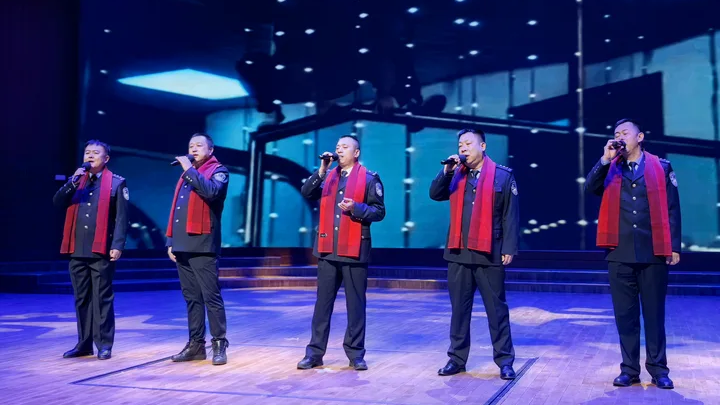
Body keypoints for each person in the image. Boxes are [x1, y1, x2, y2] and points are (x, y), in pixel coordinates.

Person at [586, 118, 681, 389]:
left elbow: (673, 208)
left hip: (653, 252)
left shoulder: (662, 167)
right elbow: (590, 188)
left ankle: (659, 370)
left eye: (625, 133)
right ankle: (629, 369)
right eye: (616, 133)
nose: (620, 137)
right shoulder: (611, 167)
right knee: (625, 317)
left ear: (639, 137)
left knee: (654, 315)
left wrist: (674, 246)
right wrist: (604, 160)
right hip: (619, 252)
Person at [429, 128, 518, 380]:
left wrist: (509, 247)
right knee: (459, 310)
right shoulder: (455, 173)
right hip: (459, 252)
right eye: (461, 144)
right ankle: (456, 359)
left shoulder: (502, 175)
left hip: (490, 252)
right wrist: (447, 171)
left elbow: (511, 214)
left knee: (496, 310)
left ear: (483, 146)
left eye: (468, 143)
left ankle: (505, 361)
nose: (463, 148)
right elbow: (435, 194)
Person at [296, 135, 386, 371]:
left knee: (355, 305)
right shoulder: (327, 177)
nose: (340, 150)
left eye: (345, 147)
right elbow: (307, 191)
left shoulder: (369, 178)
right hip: (328, 249)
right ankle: (314, 353)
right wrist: (322, 170)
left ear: (356, 153)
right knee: (322, 305)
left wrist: (356, 208)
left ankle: (355, 354)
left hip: (354, 249)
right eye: (338, 147)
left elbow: (379, 211)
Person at [53, 140, 128, 360]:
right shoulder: (77, 181)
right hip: (77, 248)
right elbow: (58, 202)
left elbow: (122, 218)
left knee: (102, 298)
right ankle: (84, 344)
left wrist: (118, 245)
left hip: (101, 249)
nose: (90, 156)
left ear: (106, 159)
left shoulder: (116, 183)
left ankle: (104, 344)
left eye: (96, 152)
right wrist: (72, 181)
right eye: (87, 152)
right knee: (81, 298)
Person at [166, 133, 230, 366]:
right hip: (182, 243)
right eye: (191, 145)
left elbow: (212, 192)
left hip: (203, 243)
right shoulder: (188, 174)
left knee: (210, 296)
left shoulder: (219, 171)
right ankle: (196, 345)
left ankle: (219, 343)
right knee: (192, 298)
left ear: (210, 150)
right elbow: (177, 209)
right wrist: (170, 241)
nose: (193, 149)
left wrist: (188, 169)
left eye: (199, 146)